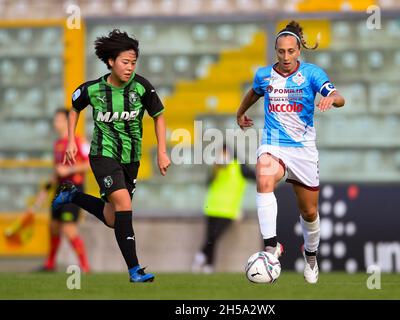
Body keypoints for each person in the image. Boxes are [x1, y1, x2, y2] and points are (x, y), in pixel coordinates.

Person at [52, 29, 171, 283]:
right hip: (103, 155)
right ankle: (134, 270)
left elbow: (158, 116)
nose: (130, 68)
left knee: (111, 218)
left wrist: (162, 151)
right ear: (111, 61)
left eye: (133, 63)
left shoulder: (141, 87)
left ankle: (73, 195)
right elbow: (74, 108)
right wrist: (72, 140)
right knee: (124, 205)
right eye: (125, 62)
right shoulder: (94, 89)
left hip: (131, 159)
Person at [236, 21, 345, 284]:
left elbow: (339, 96)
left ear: (299, 51)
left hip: (304, 151)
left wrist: (332, 99)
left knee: (309, 213)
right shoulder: (264, 75)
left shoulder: (312, 74)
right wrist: (240, 113)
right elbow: (254, 92)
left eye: (291, 51)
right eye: (281, 52)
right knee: (264, 175)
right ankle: (271, 248)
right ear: (276, 51)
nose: (286, 57)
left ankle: (310, 255)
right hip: (274, 144)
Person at [38, 108, 90, 273]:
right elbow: (57, 171)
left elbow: (91, 164)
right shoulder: (58, 144)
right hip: (59, 189)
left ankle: (85, 266)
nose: (56, 123)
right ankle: (50, 264)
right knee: (53, 226)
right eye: (55, 120)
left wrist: (69, 170)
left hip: (73, 189)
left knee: (68, 228)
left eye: (59, 120)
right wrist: (44, 191)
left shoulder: (79, 141)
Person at [191, 144, 255, 273]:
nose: (223, 155)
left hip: (228, 210)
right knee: (210, 238)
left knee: (213, 236)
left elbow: (255, 176)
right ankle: (209, 266)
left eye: (225, 152)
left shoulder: (239, 166)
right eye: (222, 152)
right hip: (212, 208)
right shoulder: (216, 167)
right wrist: (216, 169)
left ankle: (200, 256)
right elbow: (208, 183)